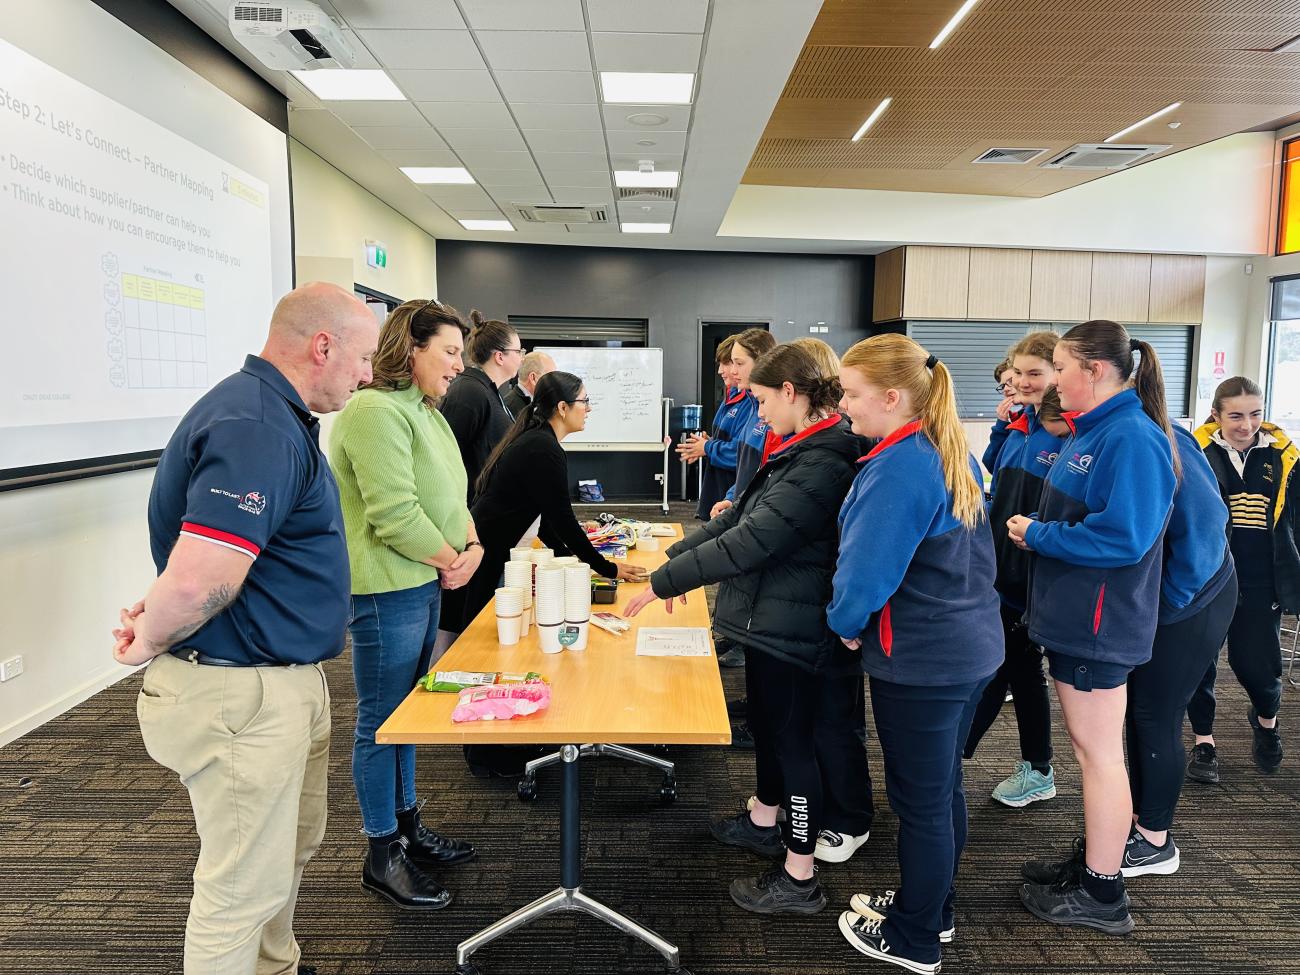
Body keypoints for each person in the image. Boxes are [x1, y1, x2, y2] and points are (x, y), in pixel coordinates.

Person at [111, 282, 379, 975]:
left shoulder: (275, 415)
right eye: (362, 357)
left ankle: (275, 966)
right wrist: (148, 639)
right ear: (323, 345)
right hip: (241, 694)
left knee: (285, 852)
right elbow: (202, 578)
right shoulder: (257, 424)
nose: (367, 375)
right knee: (238, 888)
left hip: (279, 682)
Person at [627, 343, 868, 913]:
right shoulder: (799, 448)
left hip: (796, 626)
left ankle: (799, 875)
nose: (755, 413)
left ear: (791, 393)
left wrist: (667, 582)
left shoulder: (824, 461)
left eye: (761, 399)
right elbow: (740, 517)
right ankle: (766, 817)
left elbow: (753, 540)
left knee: (794, 743)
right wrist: (672, 556)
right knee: (769, 723)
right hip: (772, 618)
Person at [829, 335, 1002, 975]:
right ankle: (935, 906)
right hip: (969, 648)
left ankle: (915, 936)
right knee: (941, 789)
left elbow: (866, 575)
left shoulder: (899, 466)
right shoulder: (946, 447)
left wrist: (846, 624)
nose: (844, 407)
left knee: (920, 803)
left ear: (893, 397)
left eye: (852, 394)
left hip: (926, 660)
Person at [1011, 320, 1179, 937]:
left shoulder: (1131, 437)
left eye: (1059, 368)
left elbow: (1126, 536)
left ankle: (1104, 892)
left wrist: (1038, 534)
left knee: (1100, 757)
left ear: (1096, 371)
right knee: (1092, 754)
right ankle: (1093, 864)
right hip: (1076, 616)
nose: (1052, 381)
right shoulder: (1099, 431)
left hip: (1099, 624)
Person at [329, 298, 480, 912]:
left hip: (421, 580)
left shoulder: (428, 412)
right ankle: (381, 851)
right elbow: (394, 514)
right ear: (410, 349)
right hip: (386, 586)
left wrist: (470, 545)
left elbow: (451, 493)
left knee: (408, 713)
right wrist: (452, 559)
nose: (457, 366)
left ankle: (409, 824)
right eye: (448, 351)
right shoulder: (372, 411)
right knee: (381, 720)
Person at [442, 370, 648, 635]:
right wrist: (607, 568)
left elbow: (546, 521)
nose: (589, 409)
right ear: (563, 408)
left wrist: (572, 561)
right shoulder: (543, 448)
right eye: (584, 401)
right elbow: (564, 522)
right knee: (473, 639)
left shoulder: (538, 439)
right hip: (484, 555)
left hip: (488, 550)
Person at [1120, 425, 1237, 874]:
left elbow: (1208, 521)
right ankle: (1137, 820)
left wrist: (1170, 600)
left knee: (1157, 713)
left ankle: (1156, 842)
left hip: (1195, 598)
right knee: (1136, 710)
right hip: (1163, 601)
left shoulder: (1159, 434)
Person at [962, 331, 1063, 809]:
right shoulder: (1021, 424)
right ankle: (1029, 766)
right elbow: (993, 470)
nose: (1022, 382)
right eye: (1017, 374)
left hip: (1033, 578)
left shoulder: (1067, 432)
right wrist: (1003, 428)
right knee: (1010, 670)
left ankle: (1034, 768)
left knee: (1010, 669)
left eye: (1034, 374)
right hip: (1001, 569)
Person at [1186, 376, 1299, 777]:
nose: (1246, 425)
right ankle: (1204, 743)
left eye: (1255, 414)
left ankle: (1266, 721)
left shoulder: (1284, 457)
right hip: (1208, 578)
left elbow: (1293, 525)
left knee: (1256, 667)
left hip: (1259, 580)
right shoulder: (1195, 453)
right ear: (1216, 415)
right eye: (1235, 415)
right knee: (1200, 665)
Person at [439, 310, 521, 501]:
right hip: (471, 513)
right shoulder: (469, 393)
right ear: (500, 356)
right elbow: (447, 461)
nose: (521, 358)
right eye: (519, 352)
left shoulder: (488, 390)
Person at [709, 327, 777, 519]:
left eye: (737, 363)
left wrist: (707, 447)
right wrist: (733, 498)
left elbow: (766, 476)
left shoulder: (773, 416)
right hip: (742, 511)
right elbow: (748, 472)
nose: (731, 370)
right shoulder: (751, 403)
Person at [678, 335, 743, 520]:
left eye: (728, 363)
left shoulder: (752, 404)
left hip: (732, 499)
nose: (721, 371)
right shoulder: (730, 397)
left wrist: (707, 447)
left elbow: (744, 454)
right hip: (719, 495)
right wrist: (708, 444)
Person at [983, 359, 1021, 475]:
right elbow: (991, 463)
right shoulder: (1016, 420)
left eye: (1010, 381)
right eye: (1003, 386)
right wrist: (1001, 423)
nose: (1005, 389)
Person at [503, 349, 556, 418]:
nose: (554, 382)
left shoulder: (537, 403)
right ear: (533, 378)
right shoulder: (509, 409)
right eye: (550, 376)